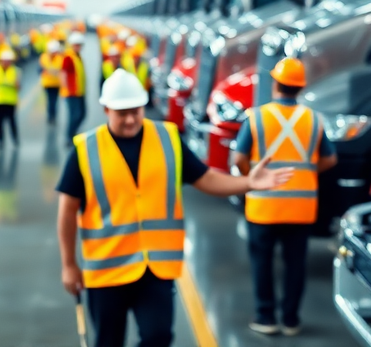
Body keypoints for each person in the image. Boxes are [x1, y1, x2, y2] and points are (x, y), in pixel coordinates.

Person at [56, 70, 294, 347]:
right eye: (122, 113)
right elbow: (67, 209)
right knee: (108, 341)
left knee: (159, 337)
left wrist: (248, 182)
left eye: (136, 111)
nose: (131, 119)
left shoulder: (168, 139)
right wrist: (69, 265)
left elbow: (205, 179)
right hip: (107, 270)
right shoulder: (86, 149)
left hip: (156, 269)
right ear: (106, 109)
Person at [232, 57, 337, 337]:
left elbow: (239, 158)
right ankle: (291, 320)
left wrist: (251, 177)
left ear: (276, 83)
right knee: (295, 264)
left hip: (264, 205)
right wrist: (306, 171)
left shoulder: (256, 117)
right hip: (300, 207)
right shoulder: (313, 119)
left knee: (262, 262)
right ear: (300, 88)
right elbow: (330, 159)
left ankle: (266, 317)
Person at [0, 49, 21, 145]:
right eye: (4, 60)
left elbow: (18, 85)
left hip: (10, 100)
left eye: (8, 60)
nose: (6, 62)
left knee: (12, 121)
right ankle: (0, 140)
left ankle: (15, 139)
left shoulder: (16, 70)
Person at [60, 31, 88, 141]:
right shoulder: (68, 57)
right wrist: (66, 88)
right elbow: (63, 73)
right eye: (76, 45)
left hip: (80, 91)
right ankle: (69, 136)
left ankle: (73, 133)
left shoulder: (78, 56)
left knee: (82, 114)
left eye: (80, 45)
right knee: (74, 115)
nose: (78, 47)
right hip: (72, 93)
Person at [40, 39, 64, 126]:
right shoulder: (44, 57)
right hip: (47, 83)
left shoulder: (59, 58)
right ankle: (50, 116)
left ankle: (53, 116)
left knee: (54, 101)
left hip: (56, 83)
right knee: (50, 101)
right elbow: (47, 68)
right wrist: (53, 70)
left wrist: (51, 70)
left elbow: (57, 69)